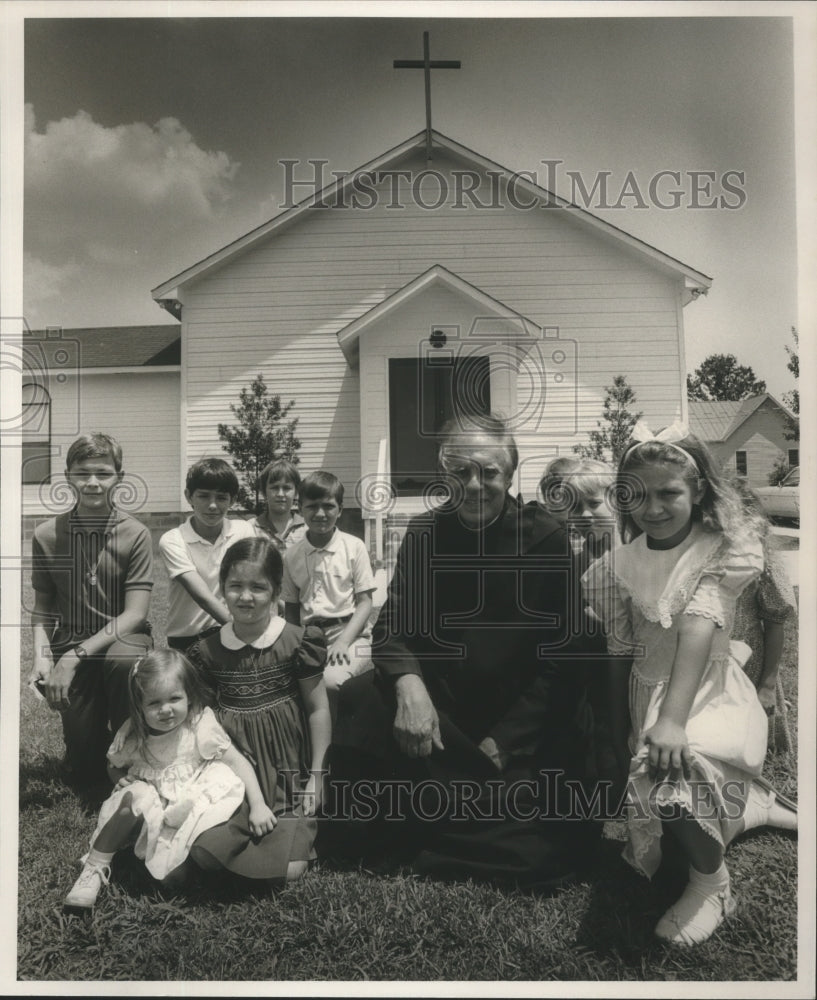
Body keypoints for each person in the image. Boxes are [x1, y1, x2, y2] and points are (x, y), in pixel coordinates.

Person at [330, 414, 599, 888]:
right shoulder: (424, 534)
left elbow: (564, 659)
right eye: (460, 472)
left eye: (488, 472)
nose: (474, 485)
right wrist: (410, 688)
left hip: (519, 721)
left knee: (544, 851)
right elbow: (393, 627)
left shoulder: (545, 540)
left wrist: (505, 740)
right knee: (359, 700)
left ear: (510, 475)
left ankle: (431, 827)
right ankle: (444, 821)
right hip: (440, 717)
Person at [582, 422, 798, 946]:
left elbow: (699, 626)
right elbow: (619, 650)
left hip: (708, 692)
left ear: (697, 490)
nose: (652, 508)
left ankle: (713, 885)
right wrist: (618, 733)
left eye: (668, 493)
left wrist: (672, 720)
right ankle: (748, 809)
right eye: (638, 496)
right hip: (647, 692)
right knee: (669, 806)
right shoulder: (617, 566)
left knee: (672, 775)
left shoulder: (723, 549)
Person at [63, 649, 266, 911]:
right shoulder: (135, 736)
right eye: (154, 703)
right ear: (139, 706)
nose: (166, 710)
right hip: (146, 805)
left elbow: (237, 762)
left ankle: (148, 854)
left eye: (174, 698)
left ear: (188, 695)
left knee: (175, 881)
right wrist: (119, 779)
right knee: (136, 798)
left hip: (182, 809)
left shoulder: (199, 726)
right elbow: (113, 765)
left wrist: (258, 804)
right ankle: (94, 867)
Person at [188, 537, 331, 884]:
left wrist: (317, 777)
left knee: (291, 870)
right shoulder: (207, 651)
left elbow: (318, 710)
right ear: (222, 589)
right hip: (232, 769)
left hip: (288, 769)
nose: (246, 596)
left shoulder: (297, 642)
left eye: (258, 587)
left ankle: (273, 852)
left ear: (277, 591)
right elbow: (197, 719)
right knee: (205, 854)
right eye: (235, 586)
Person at [30, 433, 154, 786]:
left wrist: (71, 658)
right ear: (68, 476)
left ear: (119, 476)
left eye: (103, 473)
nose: (93, 482)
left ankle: (132, 744)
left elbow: (135, 614)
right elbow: (42, 609)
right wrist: (42, 657)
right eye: (83, 473)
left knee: (123, 661)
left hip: (123, 641)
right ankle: (89, 743)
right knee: (86, 774)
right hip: (72, 637)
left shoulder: (136, 533)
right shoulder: (46, 535)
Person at [282, 471, 376, 701]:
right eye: (312, 506)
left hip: (350, 635)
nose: (320, 513)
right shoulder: (292, 555)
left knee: (331, 683)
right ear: (300, 509)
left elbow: (365, 604)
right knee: (287, 682)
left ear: (340, 510)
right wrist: (293, 646)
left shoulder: (354, 547)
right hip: (310, 637)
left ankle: (340, 736)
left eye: (328, 506)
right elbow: (292, 609)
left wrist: (344, 642)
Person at [158, 458, 255, 653]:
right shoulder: (173, 540)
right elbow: (202, 596)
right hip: (187, 639)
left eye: (221, 497)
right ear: (188, 496)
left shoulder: (244, 531)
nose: (212, 505)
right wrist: (245, 631)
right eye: (203, 496)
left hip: (233, 632)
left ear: (233, 500)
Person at [731, 481, 796, 756]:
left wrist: (767, 685)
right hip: (713, 658)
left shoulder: (762, 562)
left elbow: (775, 625)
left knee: (751, 735)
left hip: (751, 664)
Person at [248, 458, 307, 553]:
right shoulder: (250, 529)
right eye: (274, 488)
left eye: (287, 488)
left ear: (296, 492)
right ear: (264, 492)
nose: (280, 494)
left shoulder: (307, 528)